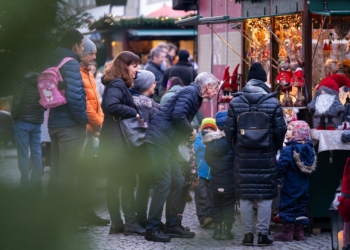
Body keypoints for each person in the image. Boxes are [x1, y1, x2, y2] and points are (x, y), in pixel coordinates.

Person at [144, 72, 219, 242]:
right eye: (214, 88)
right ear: (207, 86)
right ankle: (152, 228)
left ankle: (172, 225)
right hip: (159, 141)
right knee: (164, 182)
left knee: (177, 181)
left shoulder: (194, 94)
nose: (215, 92)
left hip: (166, 143)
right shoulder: (190, 92)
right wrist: (191, 130)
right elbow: (178, 115)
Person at [224, 62, 286, 246]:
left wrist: (238, 147)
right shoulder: (273, 102)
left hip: (243, 156)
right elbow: (280, 130)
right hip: (266, 154)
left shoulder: (236, 102)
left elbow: (229, 132)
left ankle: (247, 235)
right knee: (265, 196)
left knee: (245, 195)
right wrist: (273, 147)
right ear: (263, 80)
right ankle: (263, 235)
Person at [100, 51, 145, 236]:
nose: (137, 70)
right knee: (126, 181)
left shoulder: (114, 82)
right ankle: (130, 224)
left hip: (112, 139)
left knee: (113, 183)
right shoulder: (118, 83)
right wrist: (133, 113)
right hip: (117, 140)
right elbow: (110, 106)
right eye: (134, 66)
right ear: (125, 66)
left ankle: (117, 223)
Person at [47, 30, 88, 203]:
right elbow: (75, 96)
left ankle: (52, 212)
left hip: (54, 122)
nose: (83, 50)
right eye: (83, 46)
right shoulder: (70, 63)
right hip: (69, 125)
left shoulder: (52, 60)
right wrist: (84, 120)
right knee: (68, 173)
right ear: (75, 45)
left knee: (56, 171)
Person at [76, 37, 109, 226]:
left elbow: (96, 101)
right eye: (92, 53)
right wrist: (99, 124)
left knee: (86, 174)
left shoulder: (88, 72)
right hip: (85, 129)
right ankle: (81, 213)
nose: (95, 57)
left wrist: (99, 122)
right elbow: (87, 104)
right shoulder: (80, 72)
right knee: (80, 174)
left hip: (91, 128)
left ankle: (87, 212)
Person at [159, 76, 197, 232]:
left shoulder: (164, 98)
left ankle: (171, 222)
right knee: (181, 183)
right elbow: (196, 120)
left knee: (172, 183)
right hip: (181, 146)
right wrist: (191, 129)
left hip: (168, 145)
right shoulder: (187, 98)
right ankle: (175, 222)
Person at [273, 120, 316, 242]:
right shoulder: (309, 148)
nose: (287, 132)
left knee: (288, 205)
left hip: (290, 183)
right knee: (301, 206)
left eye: (290, 129)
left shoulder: (289, 150)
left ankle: (287, 233)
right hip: (304, 184)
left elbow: (282, 166)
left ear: (297, 133)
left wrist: (277, 175)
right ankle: (299, 232)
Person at [129, 70, 160, 227]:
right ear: (147, 85)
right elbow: (145, 127)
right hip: (144, 149)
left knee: (143, 184)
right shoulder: (143, 103)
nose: (156, 84)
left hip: (141, 148)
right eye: (153, 82)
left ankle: (142, 218)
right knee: (145, 183)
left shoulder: (144, 101)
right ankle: (143, 219)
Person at [11, 57, 45, 191]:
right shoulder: (41, 82)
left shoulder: (22, 82)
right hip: (37, 122)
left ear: (24, 68)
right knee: (36, 152)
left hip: (22, 122)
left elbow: (17, 102)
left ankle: (25, 183)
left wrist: (14, 116)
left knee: (23, 153)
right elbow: (45, 101)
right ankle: (37, 182)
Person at [203, 110, 235, 240]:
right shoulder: (232, 141)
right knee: (228, 205)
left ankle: (217, 230)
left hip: (215, 179)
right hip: (229, 180)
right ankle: (227, 231)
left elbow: (207, 160)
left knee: (216, 204)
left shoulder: (210, 142)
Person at [194, 118, 216, 228]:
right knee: (201, 195)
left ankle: (211, 216)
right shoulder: (198, 140)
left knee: (211, 195)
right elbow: (193, 154)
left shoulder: (216, 141)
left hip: (212, 173)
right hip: (200, 174)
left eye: (210, 128)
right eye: (206, 128)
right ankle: (203, 217)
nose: (208, 130)